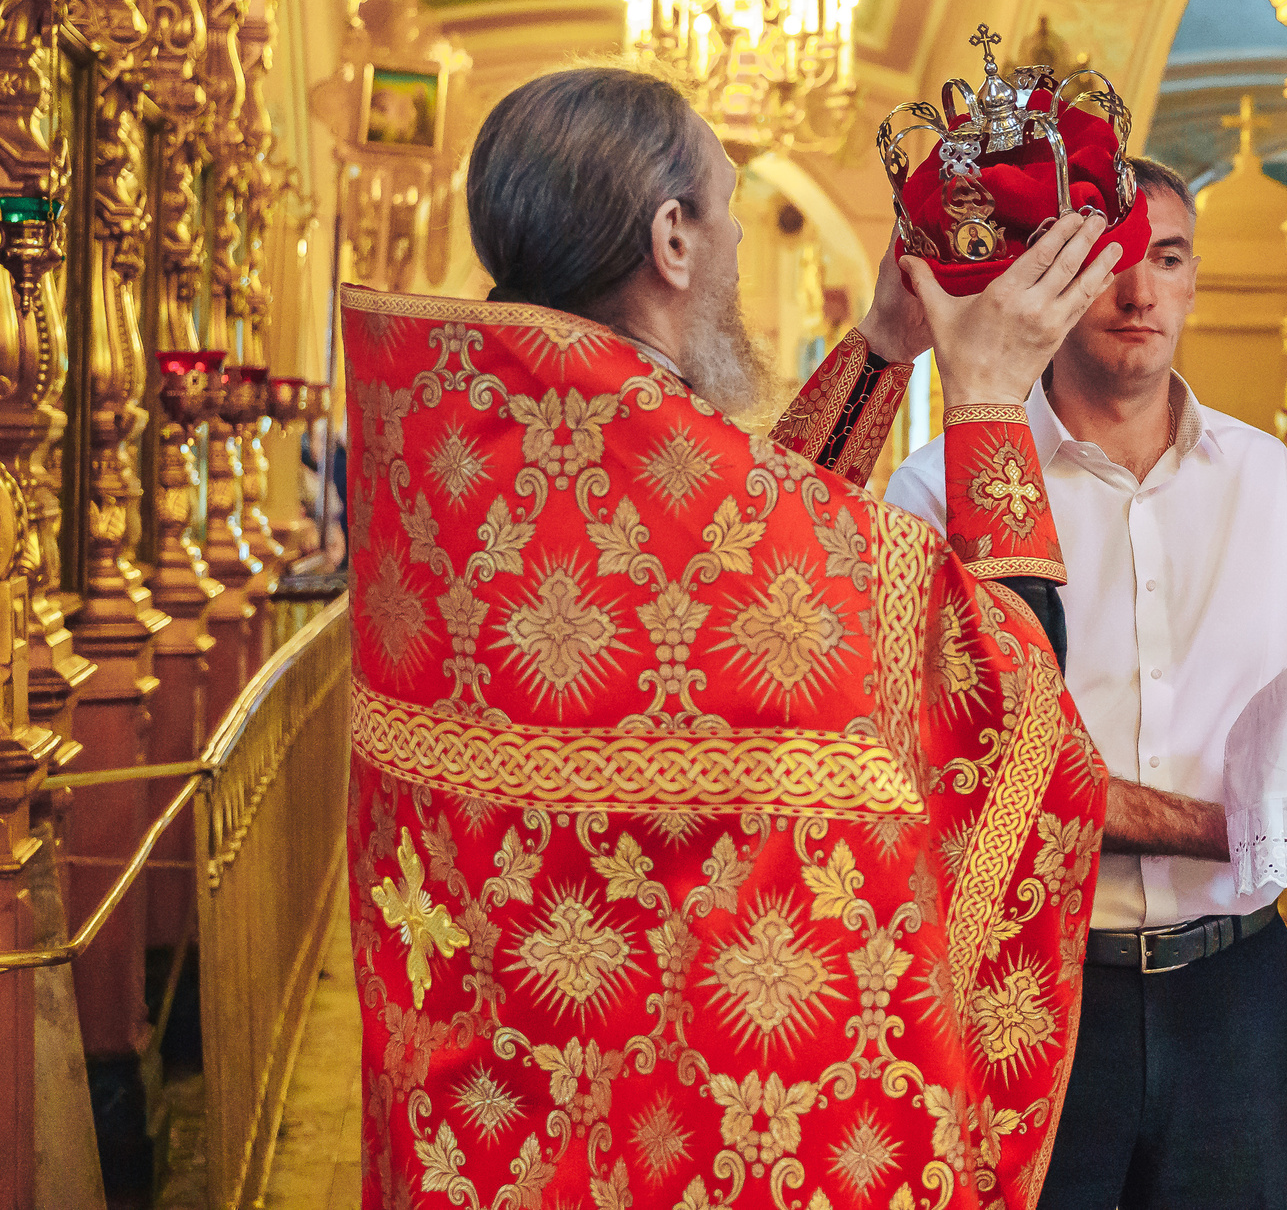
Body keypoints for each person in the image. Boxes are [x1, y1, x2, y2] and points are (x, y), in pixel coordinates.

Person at [342, 66, 1125, 1210]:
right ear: (671, 237)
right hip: (690, 1135)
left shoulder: (442, 484)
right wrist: (992, 396)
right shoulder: (719, 517)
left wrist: (881, 348)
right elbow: (1003, 684)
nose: (739, 254)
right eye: (729, 213)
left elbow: (740, 559)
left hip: (491, 1130)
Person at [876, 157, 1287, 1210]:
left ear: (1195, 281)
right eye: (1108, 262)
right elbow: (955, 771)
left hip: (1234, 983)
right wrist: (1225, 827)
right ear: (1051, 283)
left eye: (1166, 259)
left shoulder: (1262, 477)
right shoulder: (942, 488)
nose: (1138, 292)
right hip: (1041, 989)